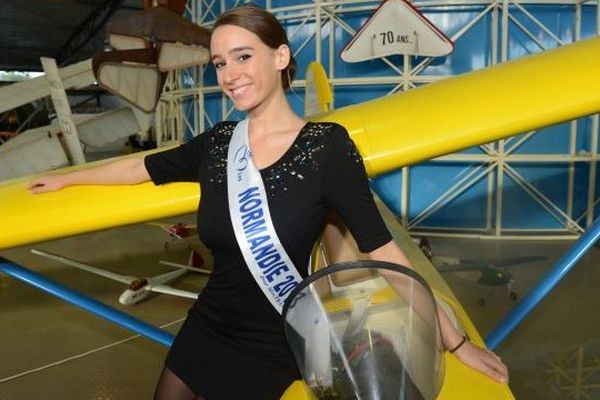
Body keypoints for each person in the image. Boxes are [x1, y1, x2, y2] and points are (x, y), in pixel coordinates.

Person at [29, 4, 508, 400]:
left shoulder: (326, 146)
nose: (230, 75)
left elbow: (383, 251)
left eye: (243, 57)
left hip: (276, 337)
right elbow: (142, 168)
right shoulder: (219, 143)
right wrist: (69, 180)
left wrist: (457, 342)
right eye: (220, 63)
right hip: (210, 323)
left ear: (280, 57)